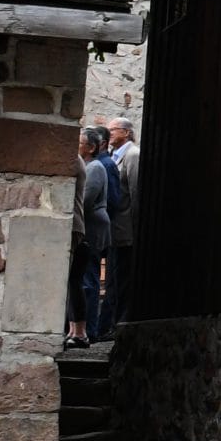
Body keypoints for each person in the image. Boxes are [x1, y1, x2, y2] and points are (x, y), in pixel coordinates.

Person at [66, 126, 113, 349]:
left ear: (92, 147)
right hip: (87, 227)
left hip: (91, 229)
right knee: (80, 280)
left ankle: (87, 331)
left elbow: (86, 200)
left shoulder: (94, 167)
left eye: (80, 142)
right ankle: (76, 330)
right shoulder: (88, 165)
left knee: (86, 280)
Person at [103, 117, 140, 337]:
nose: (109, 134)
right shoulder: (114, 156)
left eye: (113, 130)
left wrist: (135, 226)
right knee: (113, 281)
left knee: (122, 279)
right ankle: (111, 324)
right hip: (114, 230)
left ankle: (120, 323)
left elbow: (135, 192)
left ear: (126, 133)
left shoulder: (133, 155)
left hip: (126, 228)